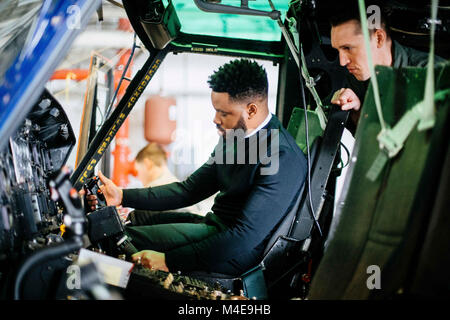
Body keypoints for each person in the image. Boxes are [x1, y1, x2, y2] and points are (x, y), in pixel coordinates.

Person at [87, 59, 307, 276]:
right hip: (214, 227)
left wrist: (168, 261)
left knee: (122, 241)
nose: (215, 119)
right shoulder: (232, 138)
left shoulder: (280, 156)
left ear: (251, 110)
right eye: (215, 110)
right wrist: (121, 195)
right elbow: (189, 190)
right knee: (136, 220)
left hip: (236, 251)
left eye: (224, 113)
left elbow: (245, 236)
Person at [329, 2, 446, 134]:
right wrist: (357, 109)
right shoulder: (356, 78)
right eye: (338, 50)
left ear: (379, 38)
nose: (342, 62)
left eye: (348, 48)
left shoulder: (435, 76)